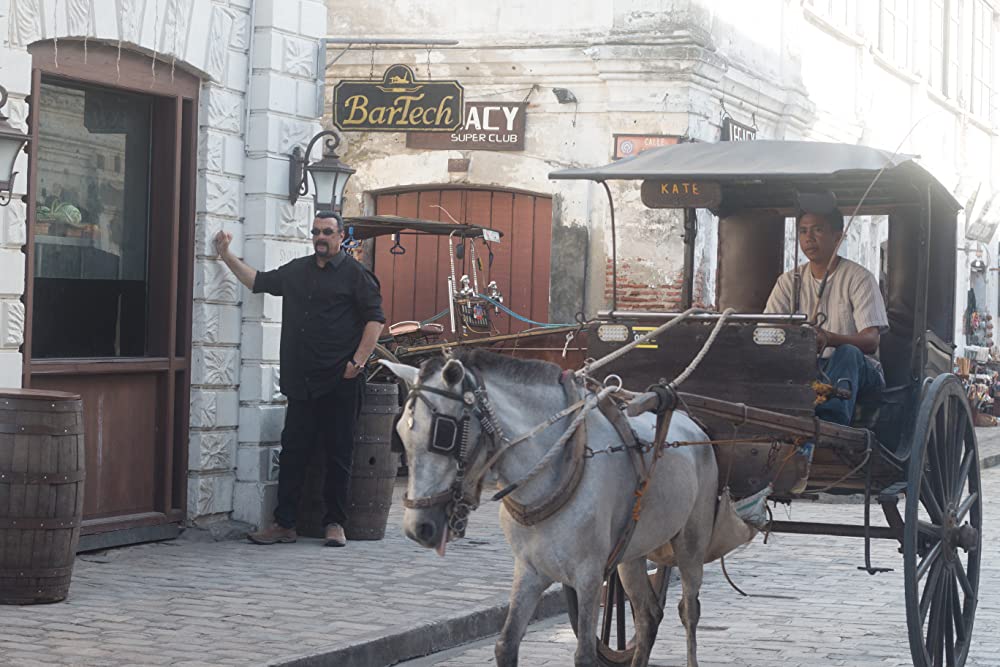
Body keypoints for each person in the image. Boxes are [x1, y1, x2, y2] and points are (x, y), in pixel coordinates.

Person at [214, 211, 385, 546]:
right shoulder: (298, 271)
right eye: (316, 232)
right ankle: (284, 524)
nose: (321, 237)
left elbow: (375, 320)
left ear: (340, 237)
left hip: (341, 381)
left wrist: (358, 362)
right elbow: (257, 282)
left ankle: (335, 523)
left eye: (327, 232)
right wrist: (225, 255)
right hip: (302, 381)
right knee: (293, 453)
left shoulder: (356, 275)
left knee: (339, 454)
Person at [764, 208, 889, 425]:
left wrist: (829, 338)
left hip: (858, 372)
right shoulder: (788, 281)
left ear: (838, 237)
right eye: (803, 231)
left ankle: (831, 421)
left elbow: (871, 341)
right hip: (809, 370)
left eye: (818, 230)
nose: (809, 238)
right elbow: (767, 330)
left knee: (847, 352)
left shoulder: (859, 278)